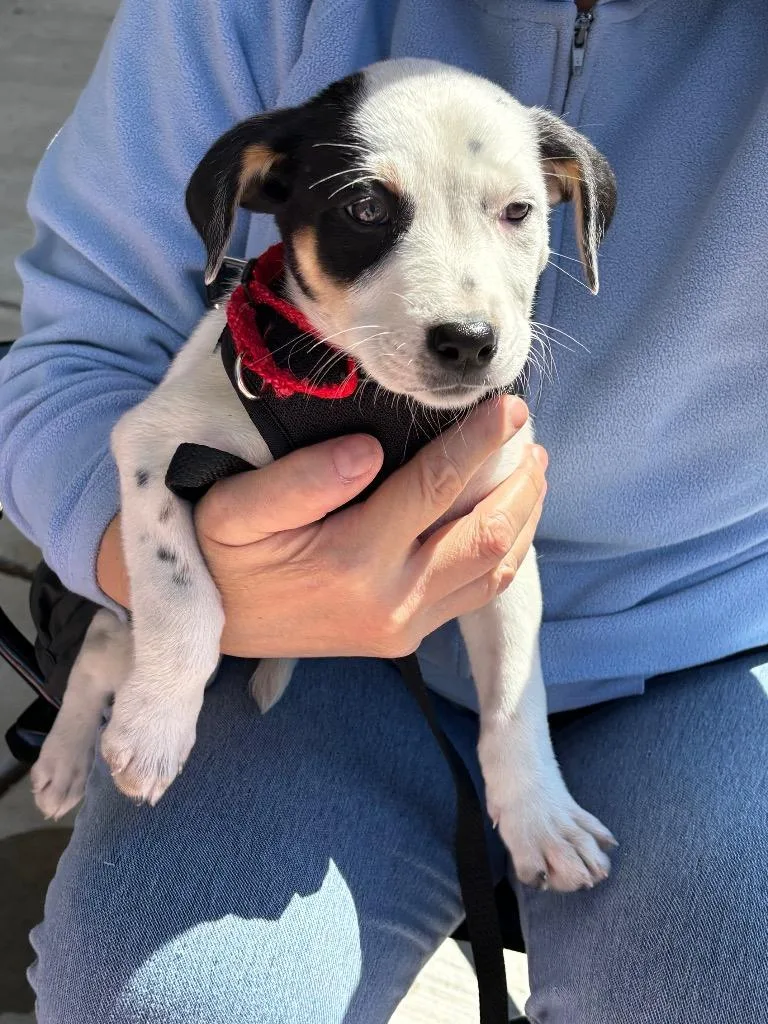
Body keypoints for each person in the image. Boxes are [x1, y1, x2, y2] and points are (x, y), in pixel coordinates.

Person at [1, 0, 766, 1020]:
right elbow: (81, 360)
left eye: (516, 213)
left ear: (566, 203)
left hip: (705, 639)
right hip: (304, 661)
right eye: (368, 208)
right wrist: (199, 593)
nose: (465, 313)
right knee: (160, 1002)